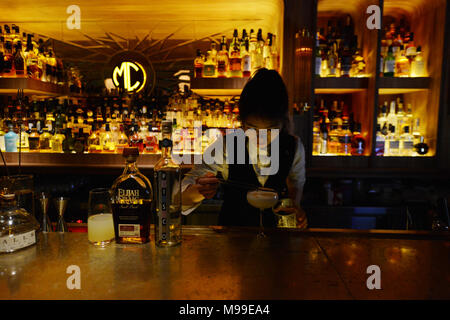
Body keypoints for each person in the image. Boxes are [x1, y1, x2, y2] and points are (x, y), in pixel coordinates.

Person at [181, 68, 307, 228]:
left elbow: (295, 188)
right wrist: (198, 191)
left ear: (283, 123)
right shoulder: (226, 146)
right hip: (233, 240)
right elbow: (180, 198)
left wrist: (296, 211)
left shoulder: (294, 147)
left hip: (278, 241)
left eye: (270, 130)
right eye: (252, 128)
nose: (260, 137)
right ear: (241, 122)